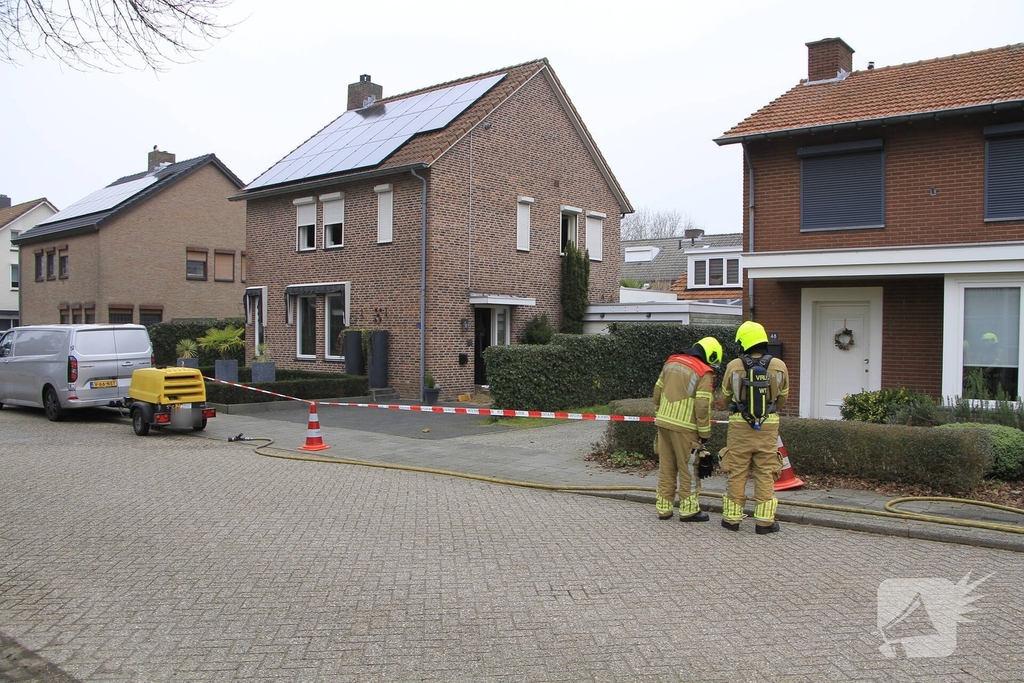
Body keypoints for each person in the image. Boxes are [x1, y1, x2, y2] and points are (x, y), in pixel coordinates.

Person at [720, 321, 789, 534]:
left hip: (740, 426)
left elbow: (725, 398)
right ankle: (765, 523)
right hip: (768, 426)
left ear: (743, 342)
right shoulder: (779, 365)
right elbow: (783, 398)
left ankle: (732, 520)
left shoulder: (733, 365)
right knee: (766, 472)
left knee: (737, 471)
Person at [652, 336, 723, 522]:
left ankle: (664, 509)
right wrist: (704, 434)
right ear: (711, 355)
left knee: (666, 467)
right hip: (685, 427)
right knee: (689, 468)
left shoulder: (671, 361)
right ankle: (689, 510)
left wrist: (660, 413)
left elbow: (657, 391)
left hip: (663, 423)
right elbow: (702, 405)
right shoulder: (703, 372)